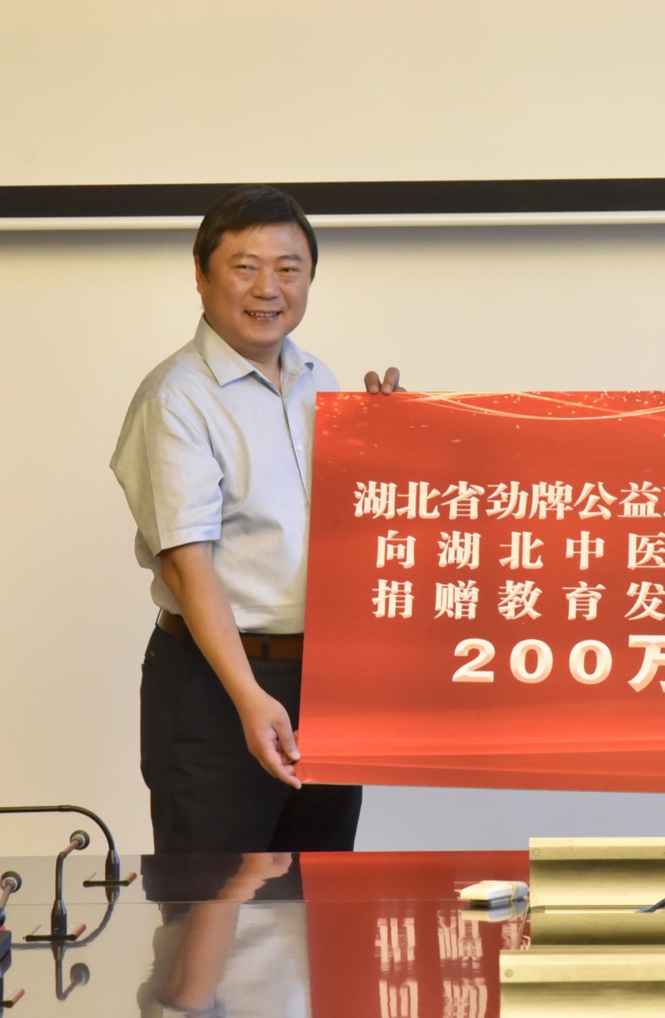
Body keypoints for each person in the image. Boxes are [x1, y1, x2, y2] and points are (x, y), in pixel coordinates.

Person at [111, 184, 402, 854]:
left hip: (323, 684)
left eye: (288, 268)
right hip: (218, 684)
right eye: (245, 267)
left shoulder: (320, 381)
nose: (268, 288)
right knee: (211, 900)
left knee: (318, 892)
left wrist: (393, 440)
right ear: (200, 274)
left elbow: (352, 531)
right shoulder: (175, 398)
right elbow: (187, 567)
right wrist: (247, 696)